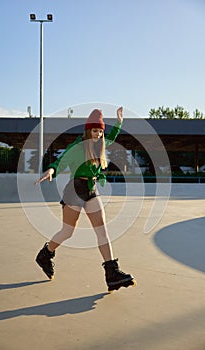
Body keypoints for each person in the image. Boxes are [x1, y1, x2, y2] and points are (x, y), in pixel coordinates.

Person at [35, 107, 136, 291]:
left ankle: (112, 274)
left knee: (102, 232)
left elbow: (112, 136)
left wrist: (119, 122)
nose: (97, 134)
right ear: (88, 130)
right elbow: (60, 162)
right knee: (67, 232)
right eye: (95, 130)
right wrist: (51, 170)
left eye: (100, 131)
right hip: (74, 192)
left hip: (91, 190)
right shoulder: (77, 147)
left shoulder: (100, 146)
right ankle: (45, 254)